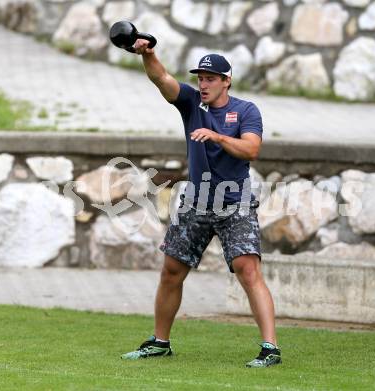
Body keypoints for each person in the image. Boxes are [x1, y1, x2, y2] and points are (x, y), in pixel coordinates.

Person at [121, 39, 281, 368]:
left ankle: (270, 348)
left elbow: (251, 150)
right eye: (200, 78)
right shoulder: (192, 103)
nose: (203, 84)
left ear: (227, 80)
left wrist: (219, 136)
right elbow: (161, 79)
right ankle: (160, 342)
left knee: (247, 269)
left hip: (234, 202)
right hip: (196, 200)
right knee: (171, 271)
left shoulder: (246, 111)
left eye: (210, 78)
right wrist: (148, 54)